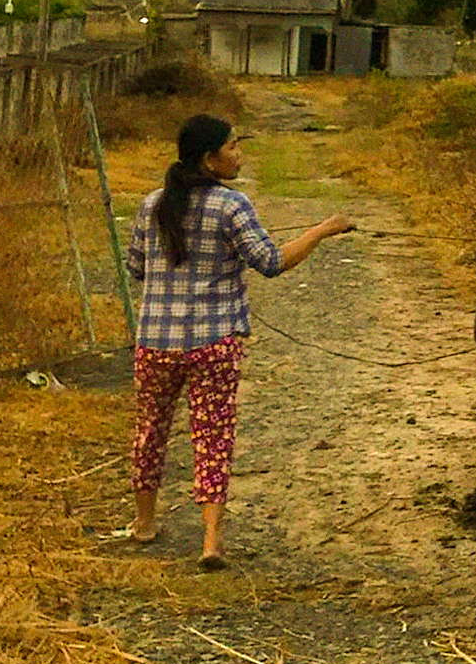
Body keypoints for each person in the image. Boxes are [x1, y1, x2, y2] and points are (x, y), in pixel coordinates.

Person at [123, 112, 353, 568]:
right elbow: (270, 262)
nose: (239, 154)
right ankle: (210, 541)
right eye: (232, 147)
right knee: (213, 435)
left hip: (155, 342)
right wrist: (322, 231)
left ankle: (144, 524)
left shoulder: (152, 204)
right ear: (210, 159)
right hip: (214, 343)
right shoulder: (232, 205)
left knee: (150, 430)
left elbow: (136, 268)